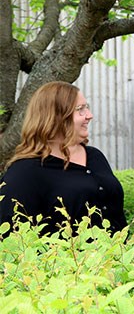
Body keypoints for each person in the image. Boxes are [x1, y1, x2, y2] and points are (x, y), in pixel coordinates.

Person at [0, 82, 127, 236]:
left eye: (87, 107)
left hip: (119, 257)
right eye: (80, 110)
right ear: (55, 117)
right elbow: (11, 236)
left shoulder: (95, 157)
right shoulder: (24, 172)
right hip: (67, 259)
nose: (89, 115)